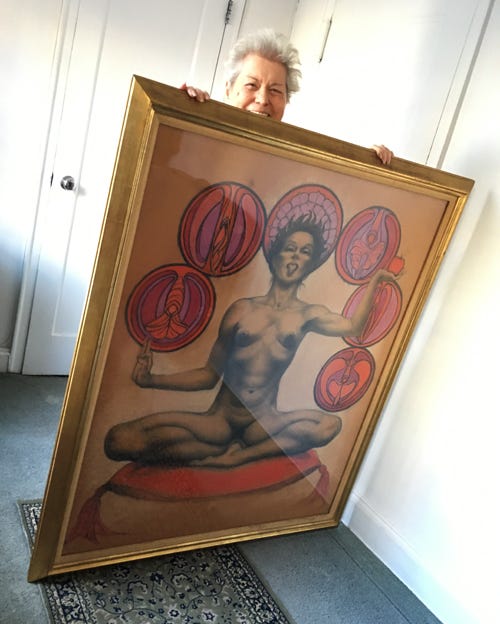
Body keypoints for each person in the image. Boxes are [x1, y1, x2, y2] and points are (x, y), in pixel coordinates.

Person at [104, 214, 396, 468]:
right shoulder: (241, 310)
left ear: (311, 264)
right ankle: (216, 449)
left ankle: (238, 457)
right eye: (290, 248)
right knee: (118, 440)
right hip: (219, 422)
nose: (295, 257)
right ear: (275, 255)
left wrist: (376, 280)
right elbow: (208, 376)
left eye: (305, 252)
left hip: (263, 424)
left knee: (330, 425)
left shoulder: (309, 315)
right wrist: (150, 380)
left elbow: (353, 327)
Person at [180, 28, 393, 164]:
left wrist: (366, 164)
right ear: (228, 89)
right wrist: (180, 109)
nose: (263, 99)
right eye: (251, 85)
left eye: (275, 90)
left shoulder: (294, 160)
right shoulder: (197, 139)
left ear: (286, 100)